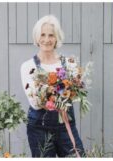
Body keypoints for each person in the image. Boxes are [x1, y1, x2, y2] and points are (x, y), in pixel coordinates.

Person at [20, 15, 84, 157]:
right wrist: (62, 91)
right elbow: (36, 103)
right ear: (37, 37)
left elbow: (74, 96)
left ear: (57, 38)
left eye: (51, 35)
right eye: (42, 35)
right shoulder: (28, 66)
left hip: (65, 126)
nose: (47, 40)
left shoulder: (69, 64)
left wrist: (50, 92)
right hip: (39, 128)